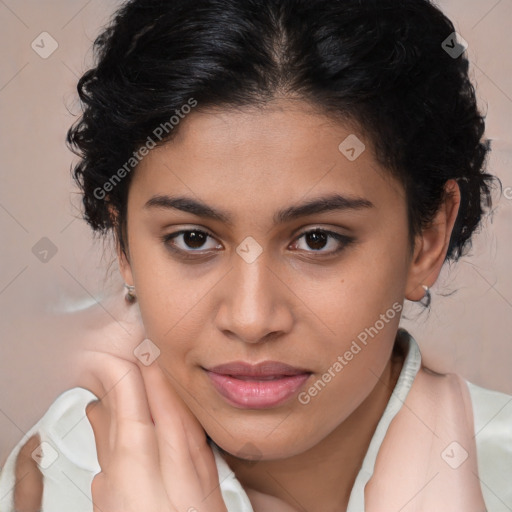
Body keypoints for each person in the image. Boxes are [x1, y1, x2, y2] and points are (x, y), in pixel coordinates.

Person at [1, 0, 511, 510]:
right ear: (124, 244)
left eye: (318, 239)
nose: (250, 319)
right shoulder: (55, 477)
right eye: (193, 239)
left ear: (427, 239)